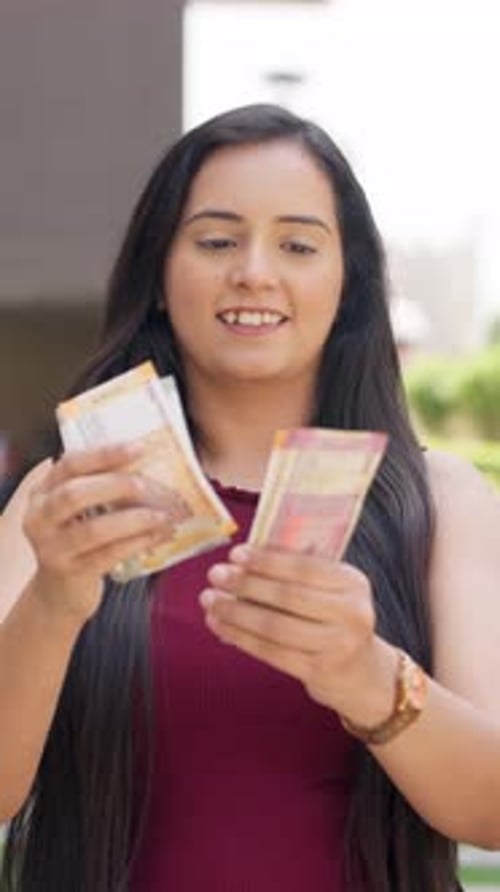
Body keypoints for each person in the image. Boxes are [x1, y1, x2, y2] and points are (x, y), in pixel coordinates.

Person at [0, 104, 499, 892]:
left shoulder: (442, 503)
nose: (255, 272)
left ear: (348, 283)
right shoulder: (64, 502)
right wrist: (54, 602)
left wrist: (366, 675)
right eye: (216, 241)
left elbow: (491, 812)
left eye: (298, 244)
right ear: (158, 276)